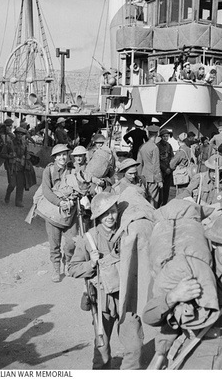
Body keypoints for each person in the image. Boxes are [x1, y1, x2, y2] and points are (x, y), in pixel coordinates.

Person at [142, 214, 222, 370]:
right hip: (201, 354)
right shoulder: (193, 275)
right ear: (214, 245)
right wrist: (173, 296)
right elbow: (149, 317)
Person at [69, 192, 144, 370]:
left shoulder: (126, 232)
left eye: (112, 212)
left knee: (135, 346)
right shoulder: (89, 238)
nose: (110, 217)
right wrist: (92, 263)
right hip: (102, 300)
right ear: (98, 216)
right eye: (105, 214)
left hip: (127, 298)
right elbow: (72, 268)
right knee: (102, 348)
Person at [42, 144, 78, 282]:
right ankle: (56, 269)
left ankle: (68, 261)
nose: (62, 157)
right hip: (53, 211)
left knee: (71, 242)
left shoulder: (72, 170)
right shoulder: (49, 171)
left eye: (64, 154)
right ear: (55, 157)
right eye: (59, 155)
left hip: (70, 212)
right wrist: (59, 202)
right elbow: (46, 191)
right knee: (54, 243)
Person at [0, 126, 32, 207]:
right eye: (18, 134)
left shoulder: (24, 144)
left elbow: (26, 153)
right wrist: (11, 156)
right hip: (12, 167)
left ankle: (18, 201)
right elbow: (2, 154)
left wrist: (27, 158)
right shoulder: (9, 143)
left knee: (20, 185)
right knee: (12, 184)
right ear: (15, 134)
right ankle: (7, 195)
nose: (20, 136)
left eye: (21, 134)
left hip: (21, 167)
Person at [137, 125, 163, 208]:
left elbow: (139, 163)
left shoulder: (142, 146)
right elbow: (156, 165)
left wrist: (139, 176)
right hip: (153, 178)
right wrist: (159, 180)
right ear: (157, 134)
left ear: (148, 134)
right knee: (153, 200)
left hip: (144, 176)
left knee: (144, 198)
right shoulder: (155, 147)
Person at [157, 129, 174, 206]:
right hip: (161, 171)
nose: (165, 138)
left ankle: (164, 204)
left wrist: (170, 168)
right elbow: (157, 160)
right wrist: (165, 169)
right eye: (164, 136)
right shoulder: (157, 146)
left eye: (167, 136)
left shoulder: (169, 146)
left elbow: (172, 158)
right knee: (160, 190)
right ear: (161, 137)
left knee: (167, 190)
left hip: (168, 171)